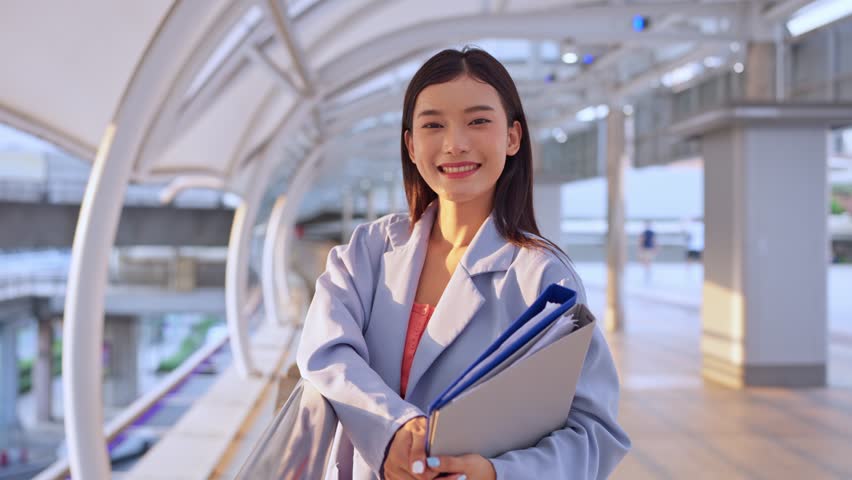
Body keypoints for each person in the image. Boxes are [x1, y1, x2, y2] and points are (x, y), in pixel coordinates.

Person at [296, 47, 630, 480]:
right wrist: (393, 429)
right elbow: (324, 348)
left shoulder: (544, 279)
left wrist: (495, 474)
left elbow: (593, 432)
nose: (455, 144)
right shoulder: (369, 251)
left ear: (512, 138)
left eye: (478, 121)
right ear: (411, 145)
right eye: (433, 125)